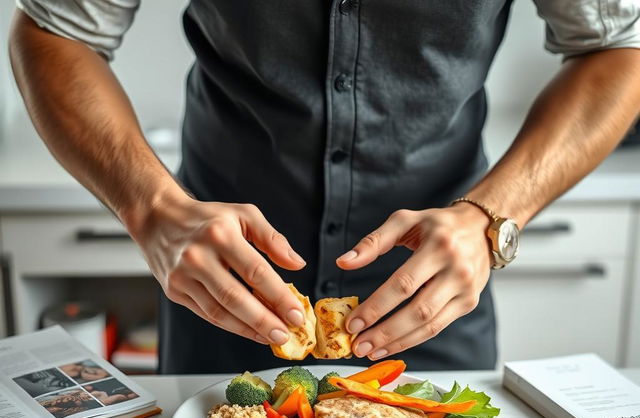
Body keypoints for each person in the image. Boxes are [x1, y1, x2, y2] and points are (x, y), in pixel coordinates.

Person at [9, 1, 640, 373]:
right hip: (223, 294)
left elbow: (616, 49)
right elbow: (56, 30)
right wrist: (151, 207)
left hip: (436, 296)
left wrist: (490, 216)